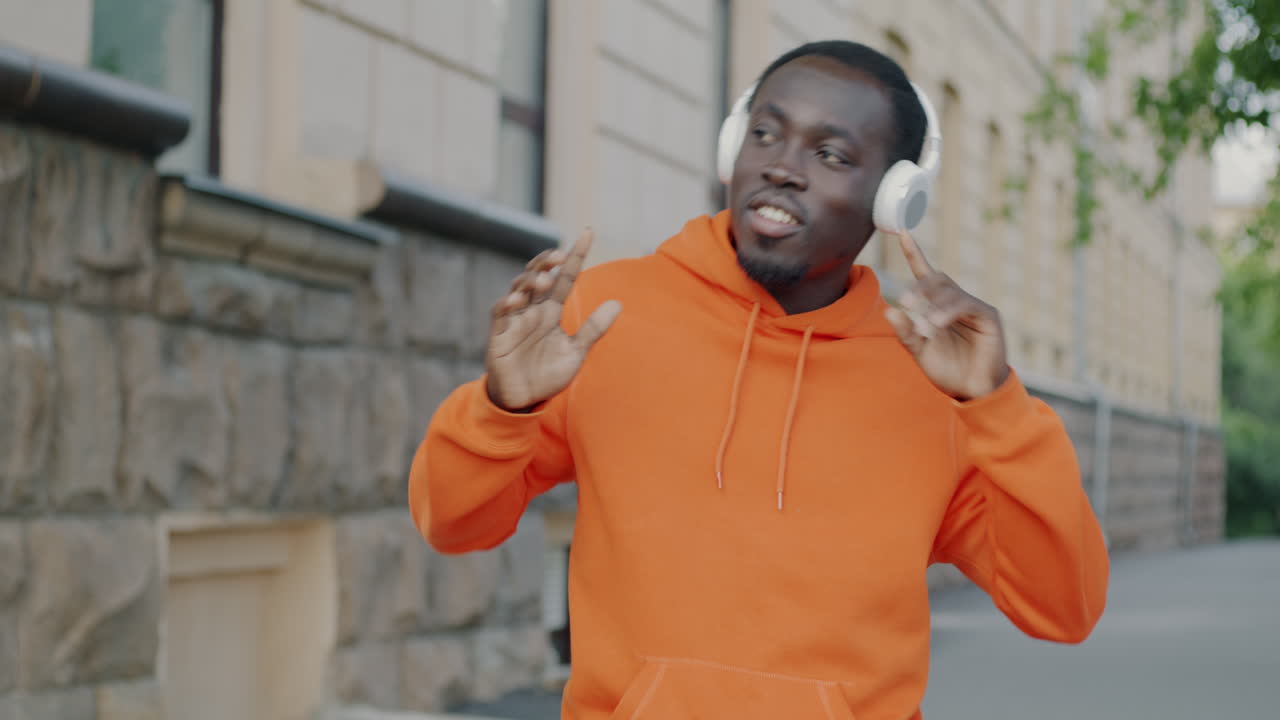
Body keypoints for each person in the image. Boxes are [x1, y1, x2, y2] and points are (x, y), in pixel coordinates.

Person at [410, 40, 1109, 720]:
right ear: (732, 150)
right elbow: (451, 524)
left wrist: (998, 409)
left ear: (895, 200)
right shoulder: (605, 315)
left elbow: (1063, 608)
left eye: (831, 154)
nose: (782, 168)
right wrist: (503, 408)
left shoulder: (933, 381)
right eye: (766, 134)